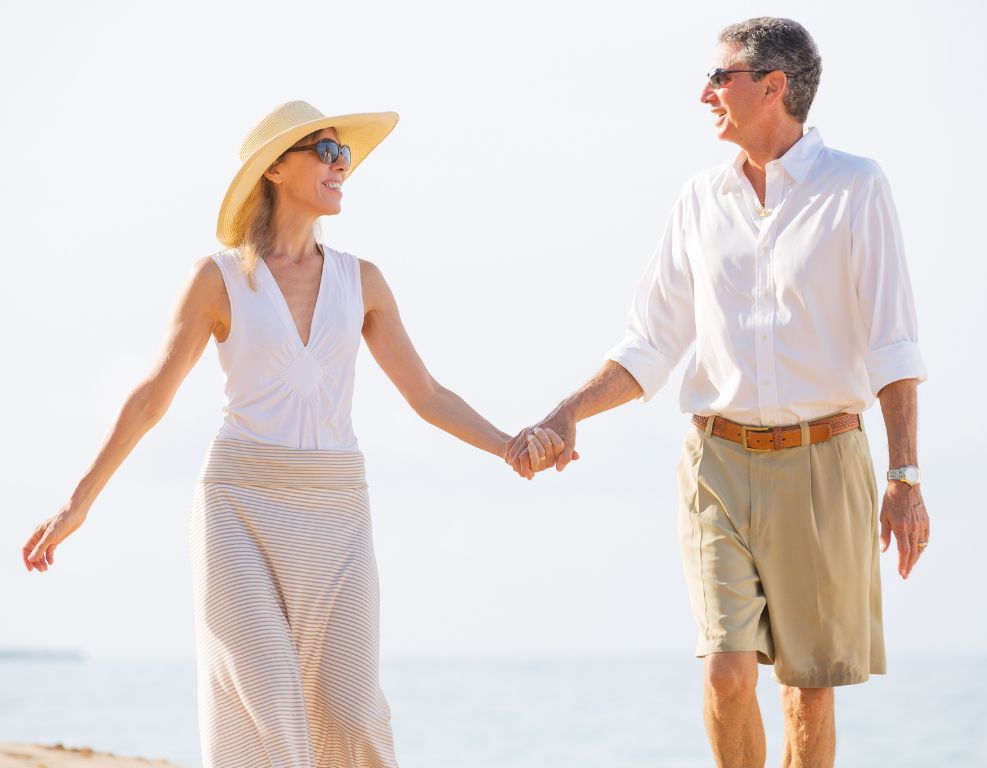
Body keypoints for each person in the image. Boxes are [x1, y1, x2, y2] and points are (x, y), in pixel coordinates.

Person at [21, 100, 568, 768]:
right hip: (238, 507)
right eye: (327, 152)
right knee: (270, 707)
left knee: (348, 714)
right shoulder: (219, 278)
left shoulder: (361, 281)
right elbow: (150, 397)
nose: (343, 166)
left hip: (336, 515)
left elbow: (425, 394)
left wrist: (510, 443)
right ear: (276, 168)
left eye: (346, 156)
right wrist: (79, 502)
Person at [506, 17, 929, 768]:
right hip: (717, 465)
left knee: (807, 693)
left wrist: (904, 476)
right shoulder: (700, 200)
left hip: (824, 462)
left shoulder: (856, 188)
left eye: (720, 78)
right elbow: (650, 343)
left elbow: (894, 344)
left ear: (773, 88)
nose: (705, 94)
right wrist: (563, 415)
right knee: (727, 676)